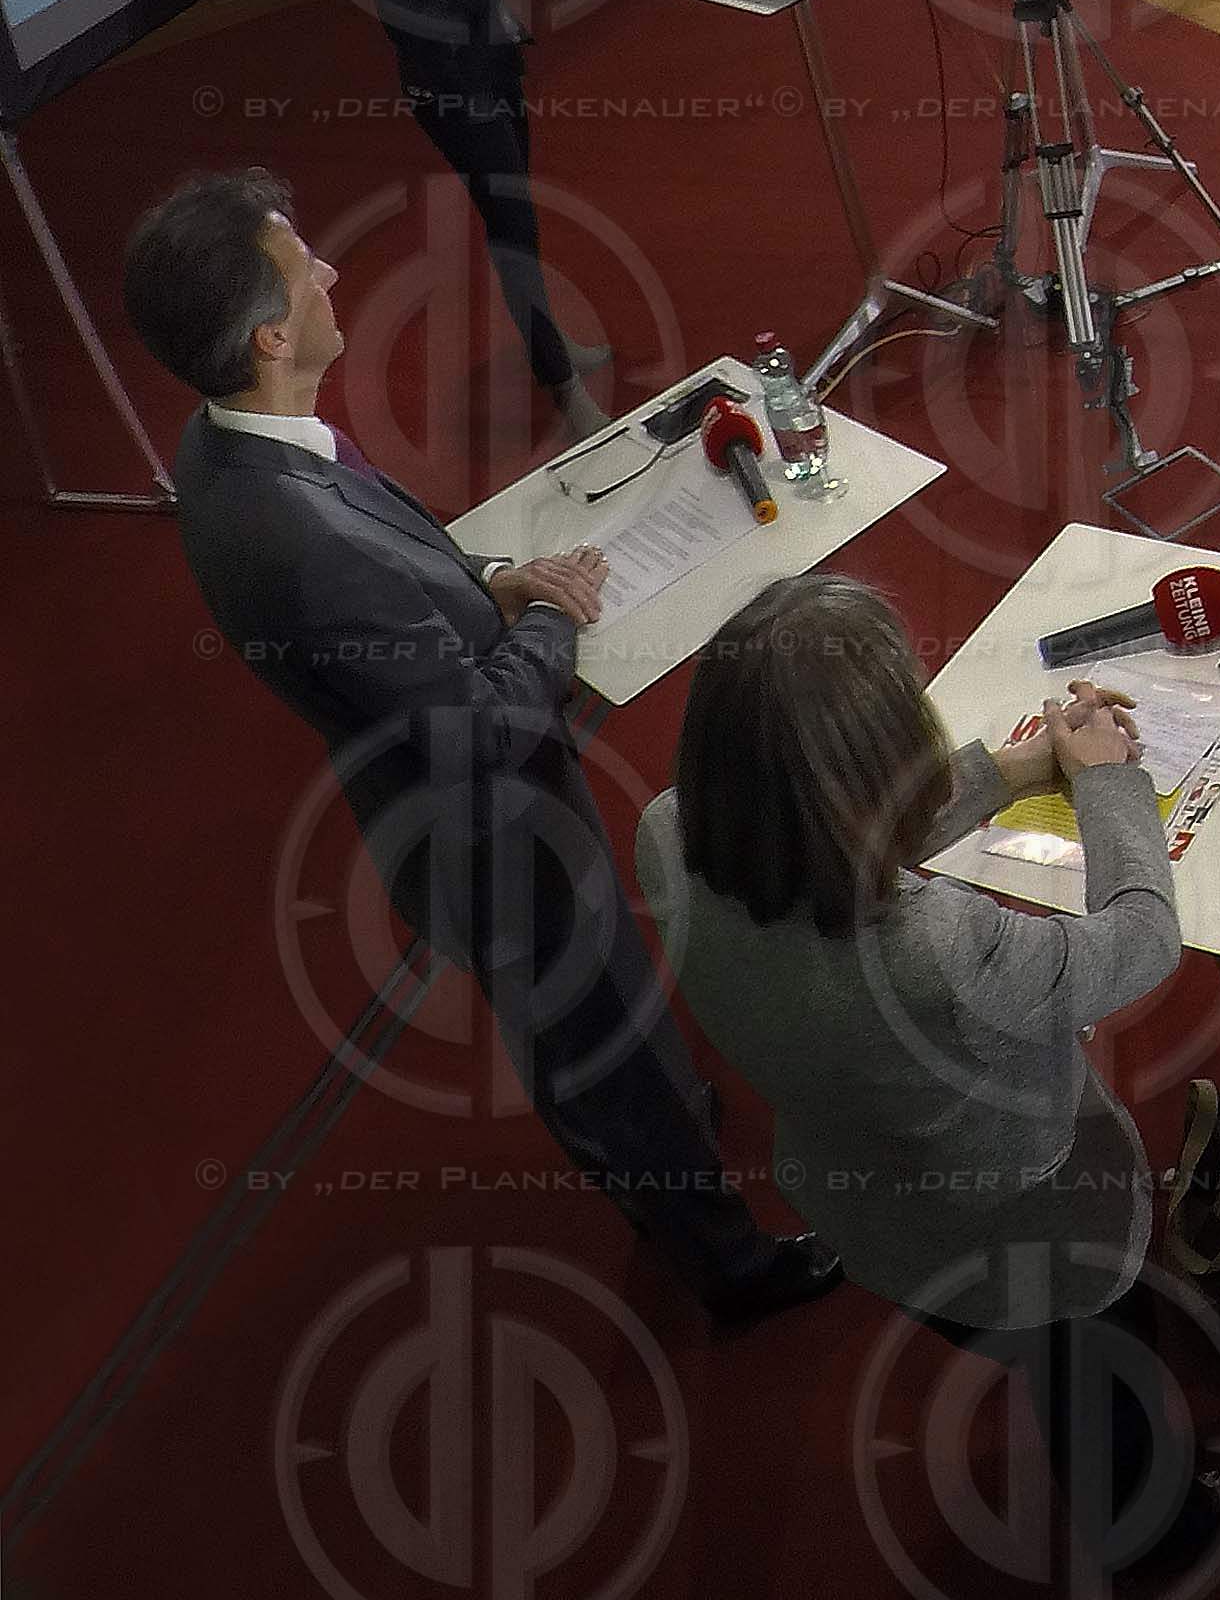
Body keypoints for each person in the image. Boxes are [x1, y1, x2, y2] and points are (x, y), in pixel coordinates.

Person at [119, 169, 837, 1322]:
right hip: (501, 843)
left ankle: (666, 1138)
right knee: (594, 1043)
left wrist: (495, 585)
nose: (335, 273)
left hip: (446, 811)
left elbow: (392, 598)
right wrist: (555, 613)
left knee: (592, 1032)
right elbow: (489, 729)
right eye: (309, 272)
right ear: (268, 335)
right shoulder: (295, 536)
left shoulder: (233, 450)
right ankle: (727, 1263)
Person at [635, 577, 1220, 1568]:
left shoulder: (670, 833)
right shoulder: (938, 947)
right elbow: (1143, 942)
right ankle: (1159, 1531)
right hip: (1030, 1225)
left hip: (871, 1212)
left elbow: (820, 839)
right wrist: (1108, 781)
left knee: (1038, 1358)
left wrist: (1017, 768)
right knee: (1095, 1380)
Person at [338, 0, 604, 435]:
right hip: (456, 90)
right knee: (512, 229)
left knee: (520, 220)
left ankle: (554, 349)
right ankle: (564, 387)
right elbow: (408, 16)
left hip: (488, 69)